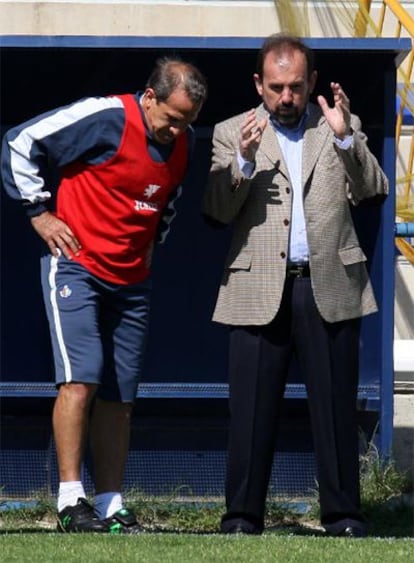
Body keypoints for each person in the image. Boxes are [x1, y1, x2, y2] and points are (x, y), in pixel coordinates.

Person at [1, 57, 207, 533]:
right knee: (80, 380)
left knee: (120, 395)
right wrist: (39, 214)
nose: (177, 130)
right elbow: (19, 142)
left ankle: (112, 503)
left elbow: (167, 198)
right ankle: (71, 501)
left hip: (132, 280)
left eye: (188, 122)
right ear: (149, 96)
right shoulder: (106, 116)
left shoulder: (184, 142)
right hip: (78, 267)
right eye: (172, 118)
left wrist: (154, 244)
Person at [203, 33, 388, 537]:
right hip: (256, 286)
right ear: (259, 84)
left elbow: (373, 190)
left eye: (296, 87)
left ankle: (343, 515)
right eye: (277, 87)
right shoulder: (229, 132)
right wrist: (241, 162)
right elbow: (216, 211)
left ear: (311, 83)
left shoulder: (337, 126)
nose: (287, 97)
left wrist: (347, 137)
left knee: (334, 408)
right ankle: (241, 517)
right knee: (250, 412)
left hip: (328, 283)